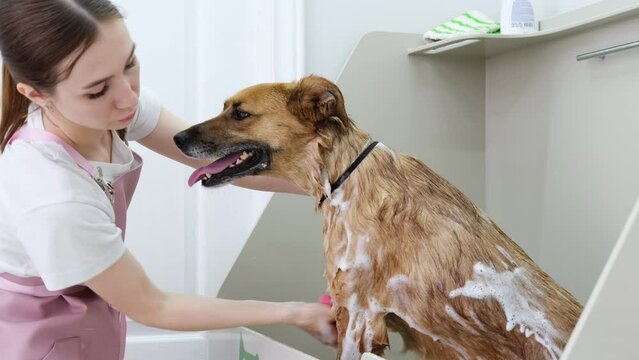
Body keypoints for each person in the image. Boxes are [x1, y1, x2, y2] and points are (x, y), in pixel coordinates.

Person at [0, 1, 336, 359]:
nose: (129, 97)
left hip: (89, 324)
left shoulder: (113, 111)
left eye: (129, 63)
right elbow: (155, 306)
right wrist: (295, 313)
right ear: (37, 95)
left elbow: (224, 164)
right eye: (98, 90)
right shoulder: (52, 198)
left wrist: (341, 186)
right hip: (38, 341)